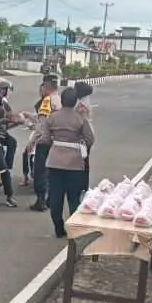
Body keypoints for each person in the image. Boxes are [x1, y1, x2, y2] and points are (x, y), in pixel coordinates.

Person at [37, 87, 95, 238]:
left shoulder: (52, 118)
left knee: (56, 198)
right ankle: (74, 230)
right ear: (75, 101)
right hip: (75, 164)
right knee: (74, 198)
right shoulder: (80, 119)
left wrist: (55, 145)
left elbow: (44, 139)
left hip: (55, 163)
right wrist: (79, 146)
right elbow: (90, 139)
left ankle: (58, 227)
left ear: (61, 101)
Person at [26, 73, 61, 211]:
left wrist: (32, 141)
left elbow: (42, 124)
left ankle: (40, 201)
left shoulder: (47, 100)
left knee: (40, 171)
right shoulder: (59, 100)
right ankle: (51, 200)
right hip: (58, 142)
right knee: (53, 172)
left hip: (45, 142)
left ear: (45, 86)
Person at [21, 82, 46, 186]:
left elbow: (40, 121)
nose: (40, 92)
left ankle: (26, 178)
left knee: (27, 151)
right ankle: (26, 176)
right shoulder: (48, 101)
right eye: (40, 90)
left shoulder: (46, 102)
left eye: (42, 90)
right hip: (43, 132)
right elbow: (37, 117)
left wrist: (31, 123)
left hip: (42, 134)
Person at [73, 81, 94, 190]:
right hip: (87, 135)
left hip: (83, 137)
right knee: (83, 160)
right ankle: (82, 184)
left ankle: (82, 185)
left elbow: (79, 121)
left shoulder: (82, 105)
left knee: (82, 160)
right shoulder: (84, 101)